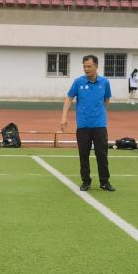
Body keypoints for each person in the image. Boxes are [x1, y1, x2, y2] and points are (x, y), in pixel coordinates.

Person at [60, 54, 113, 192]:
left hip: (100, 125)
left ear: (96, 66)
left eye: (89, 66)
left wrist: (100, 113)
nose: (86, 69)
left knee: (102, 155)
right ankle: (86, 181)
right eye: (84, 67)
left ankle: (104, 182)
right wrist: (64, 117)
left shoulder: (105, 82)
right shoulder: (78, 82)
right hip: (83, 125)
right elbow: (69, 98)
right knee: (83, 155)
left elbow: (107, 100)